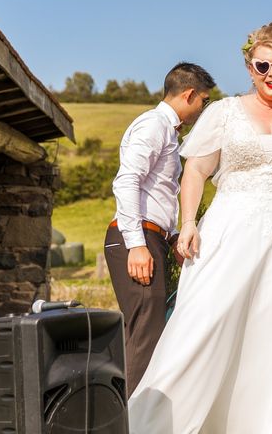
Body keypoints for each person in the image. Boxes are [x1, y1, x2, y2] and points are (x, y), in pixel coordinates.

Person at [128, 23, 272, 433]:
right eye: (263, 64)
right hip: (229, 230)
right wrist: (188, 224)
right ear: (250, 68)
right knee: (206, 320)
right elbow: (196, 170)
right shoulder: (223, 112)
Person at [104, 62, 215, 396]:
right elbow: (126, 181)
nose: (203, 108)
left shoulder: (168, 130)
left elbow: (158, 193)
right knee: (145, 336)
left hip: (154, 237)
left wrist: (173, 237)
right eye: (204, 101)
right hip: (136, 238)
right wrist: (136, 244)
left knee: (146, 331)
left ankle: (130, 416)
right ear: (190, 94)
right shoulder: (153, 125)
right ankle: (131, 421)